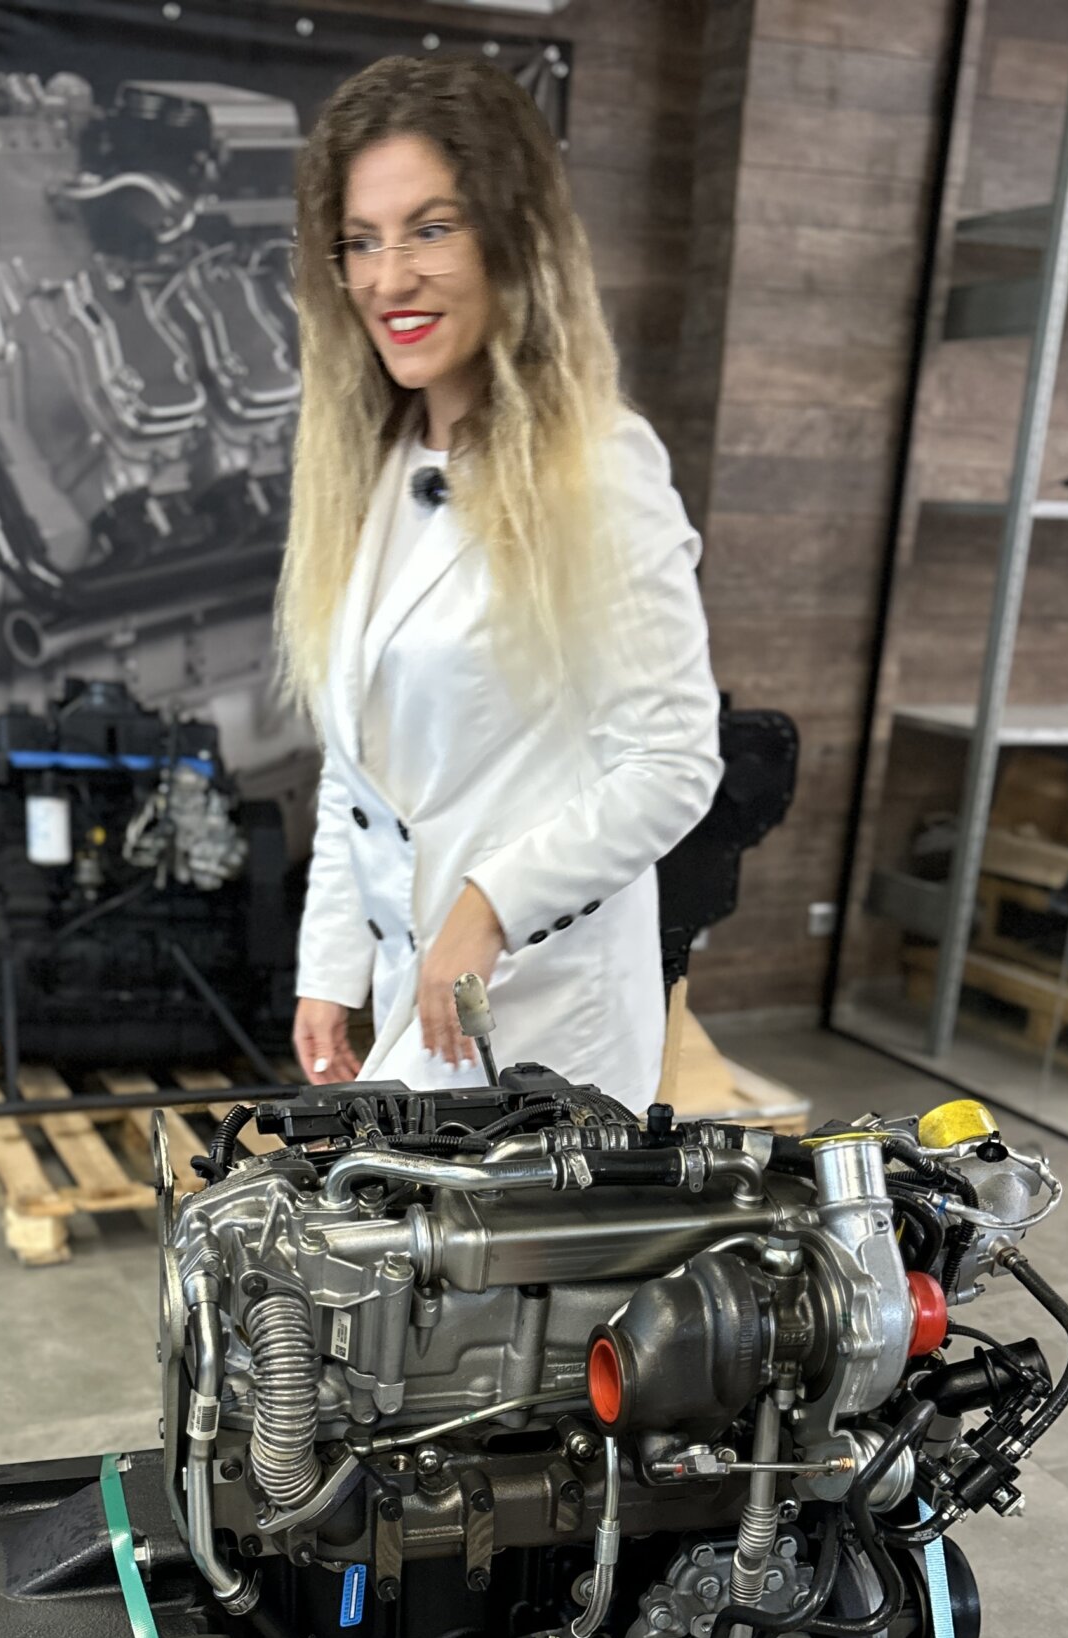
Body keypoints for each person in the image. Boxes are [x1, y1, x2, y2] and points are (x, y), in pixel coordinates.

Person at [277, 53, 722, 1113]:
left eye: (431, 229)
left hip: (543, 1016)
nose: (390, 279)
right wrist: (329, 967)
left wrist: (489, 907)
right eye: (362, 241)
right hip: (418, 998)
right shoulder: (377, 471)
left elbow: (672, 762)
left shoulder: (600, 467)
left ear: (513, 241)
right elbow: (358, 768)